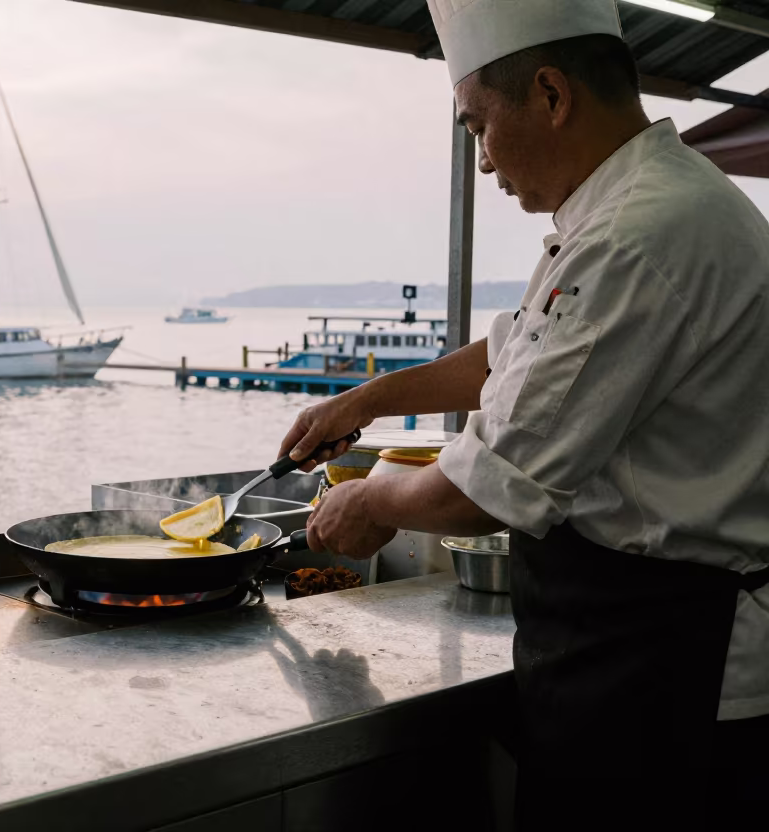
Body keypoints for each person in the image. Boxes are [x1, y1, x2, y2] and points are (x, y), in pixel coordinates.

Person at [278, 1, 769, 827]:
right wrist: (368, 398)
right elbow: (513, 353)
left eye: (476, 127)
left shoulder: (636, 236)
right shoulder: (646, 205)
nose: (481, 163)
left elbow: (481, 489)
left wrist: (367, 502)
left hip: (673, 681)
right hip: (634, 655)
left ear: (549, 93)